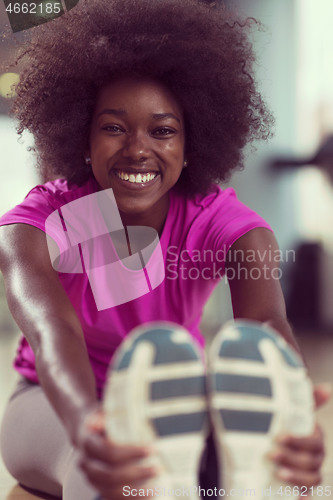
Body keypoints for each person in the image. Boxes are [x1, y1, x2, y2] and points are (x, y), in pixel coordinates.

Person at [0, 0, 329, 499]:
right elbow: (52, 332)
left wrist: (293, 407)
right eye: (113, 127)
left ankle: (210, 482)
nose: (137, 148)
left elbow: (266, 326)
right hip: (53, 402)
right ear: (82, 138)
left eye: (163, 130)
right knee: (112, 472)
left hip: (174, 401)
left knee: (277, 476)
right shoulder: (39, 224)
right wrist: (91, 423)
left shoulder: (224, 223)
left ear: (191, 144)